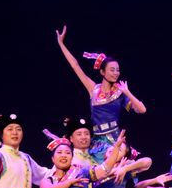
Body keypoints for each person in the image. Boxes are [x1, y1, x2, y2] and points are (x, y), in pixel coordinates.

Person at [55, 25, 146, 163]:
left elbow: (142, 110)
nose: (116, 73)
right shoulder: (94, 89)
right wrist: (61, 44)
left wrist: (127, 92)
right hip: (96, 140)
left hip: (115, 139)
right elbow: (75, 66)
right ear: (102, 72)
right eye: (112, 70)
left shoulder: (120, 93)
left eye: (117, 70)